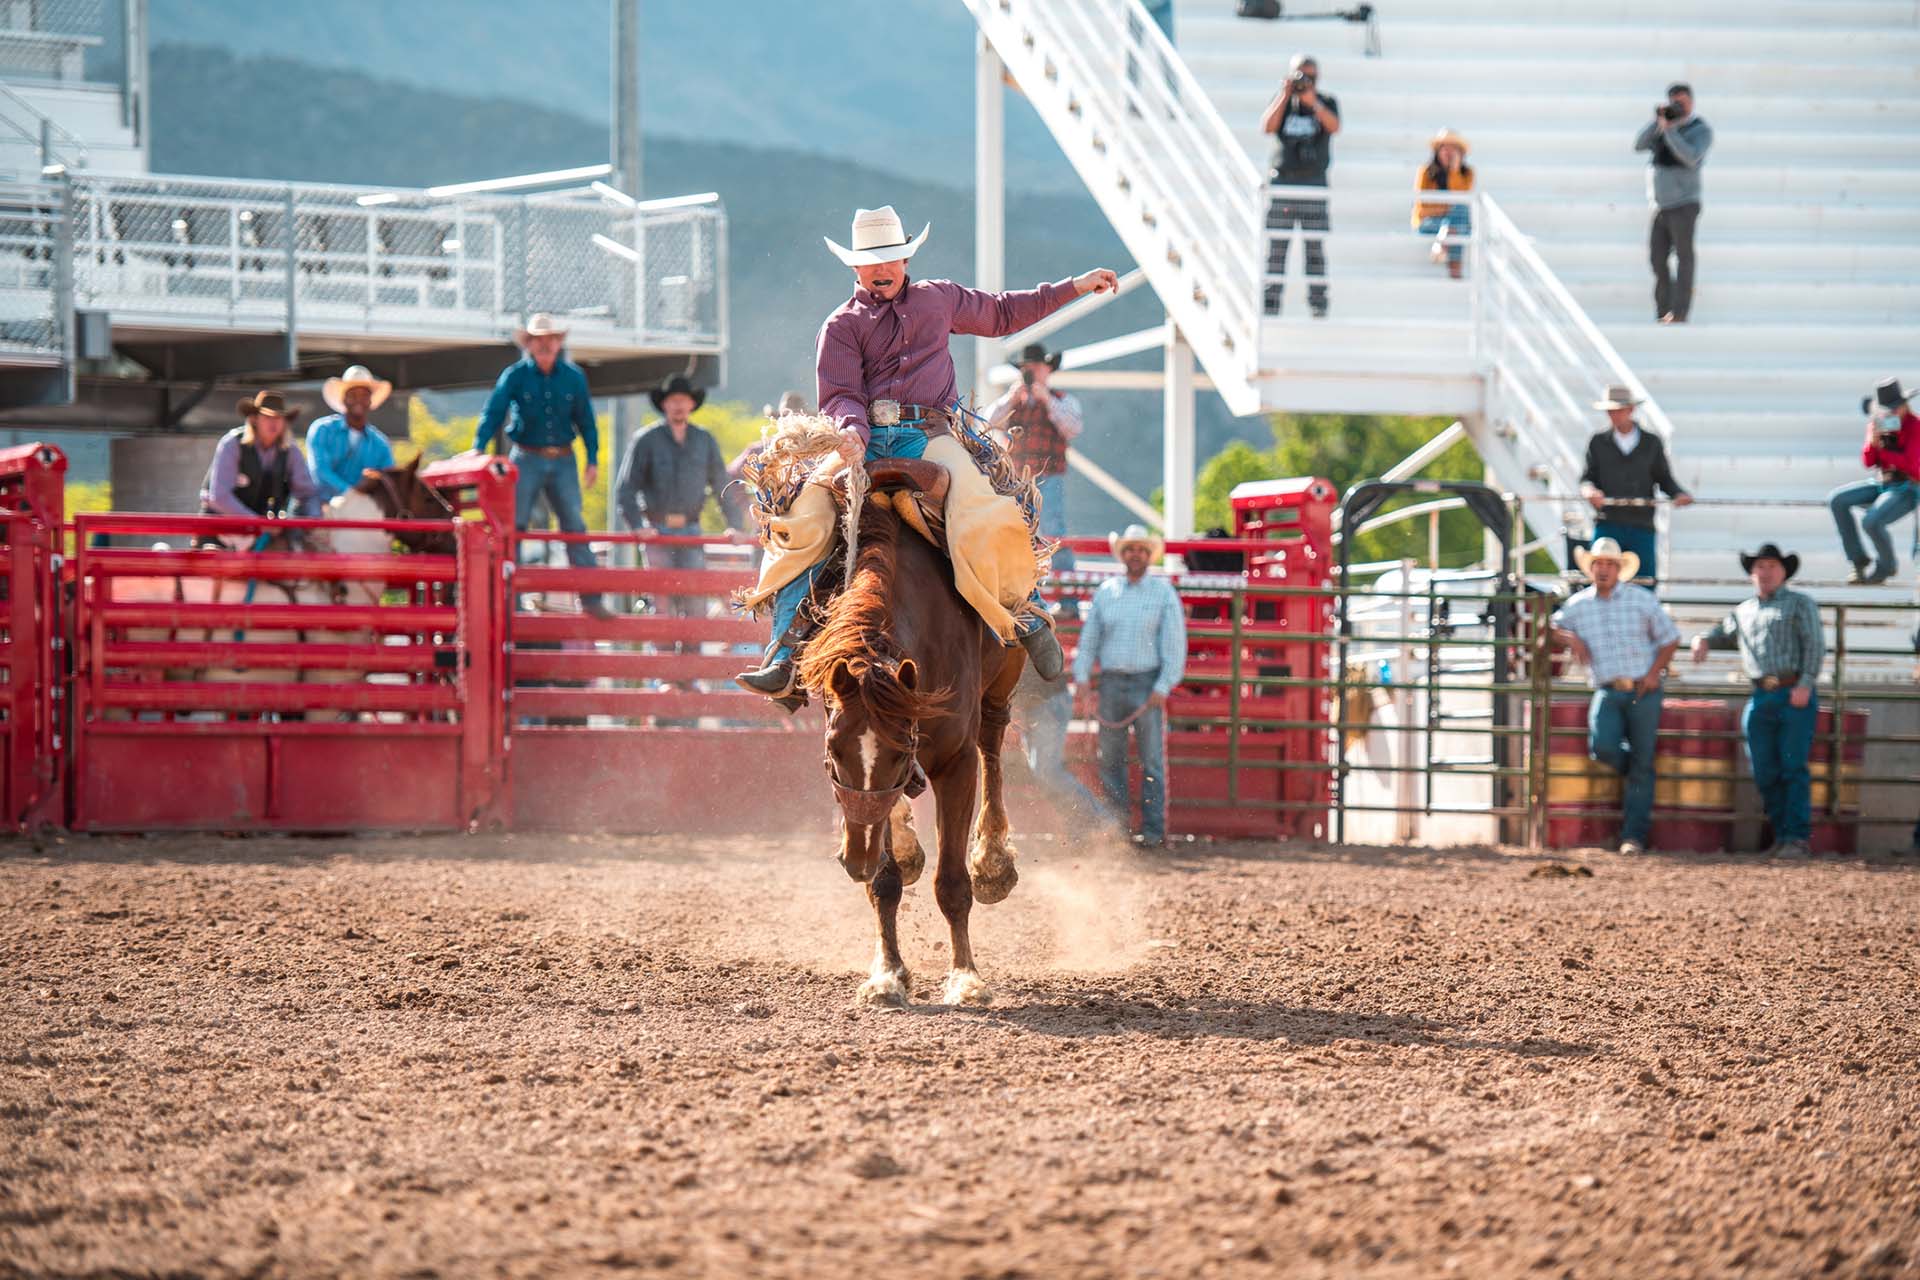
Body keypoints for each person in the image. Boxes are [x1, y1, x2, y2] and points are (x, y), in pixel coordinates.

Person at [735, 205, 1117, 697]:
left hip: (930, 435)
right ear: (855, 267)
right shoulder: (840, 327)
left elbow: (1003, 313)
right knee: (803, 513)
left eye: (890, 258)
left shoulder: (940, 300)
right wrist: (851, 432)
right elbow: (840, 396)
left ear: (906, 261)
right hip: (863, 441)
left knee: (982, 504)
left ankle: (1026, 612)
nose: (882, 269)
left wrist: (1074, 286)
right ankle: (783, 654)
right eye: (872, 261)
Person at [1689, 544, 1824, 858]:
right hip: (1761, 693)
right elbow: (1723, 631)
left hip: (1792, 691)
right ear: (1752, 573)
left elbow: (1814, 645)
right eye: (1760, 567)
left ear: (1783, 572)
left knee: (1792, 766)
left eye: (1771, 567)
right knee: (1764, 769)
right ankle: (1783, 834)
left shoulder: (1800, 604)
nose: (1765, 573)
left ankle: (1797, 838)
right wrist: (1704, 639)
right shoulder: (1744, 610)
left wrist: (1805, 683)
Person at [1548, 538, 1681, 856]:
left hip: (1642, 688)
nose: (1604, 569)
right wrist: (1570, 637)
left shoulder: (1641, 600)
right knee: (1603, 746)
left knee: (1634, 758)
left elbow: (1670, 638)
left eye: (1609, 564)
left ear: (1619, 569)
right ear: (1591, 569)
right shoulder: (1579, 605)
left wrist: (1653, 673)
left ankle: (1633, 835)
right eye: (1599, 564)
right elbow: (1550, 626)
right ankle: (1637, 774)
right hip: (1608, 687)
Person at [471, 313, 608, 618]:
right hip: (527, 454)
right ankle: (508, 600)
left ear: (558, 343)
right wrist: (478, 447)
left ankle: (591, 600)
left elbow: (586, 418)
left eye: (550, 339)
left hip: (563, 456)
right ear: (530, 344)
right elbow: (494, 410)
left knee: (574, 524)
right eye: (539, 340)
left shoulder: (573, 377)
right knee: (514, 526)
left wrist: (593, 457)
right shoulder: (516, 375)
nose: (545, 345)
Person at [1072, 525, 1188, 847]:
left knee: (1151, 760)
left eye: (1141, 550)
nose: (1135, 555)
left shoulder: (1163, 593)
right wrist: (1082, 678)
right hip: (1111, 684)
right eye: (1130, 549)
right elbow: (1090, 639)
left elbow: (1174, 644)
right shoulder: (1107, 592)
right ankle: (1118, 830)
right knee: (1110, 759)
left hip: (1146, 683)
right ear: (1122, 555)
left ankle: (1153, 832)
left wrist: (1163, 686)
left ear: (1148, 556)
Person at [614, 374, 732, 618]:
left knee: (696, 602)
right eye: (673, 400)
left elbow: (722, 486)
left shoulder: (704, 440)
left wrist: (735, 526)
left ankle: (693, 655)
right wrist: (638, 526)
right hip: (657, 530)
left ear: (691, 404)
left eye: (683, 400)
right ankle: (663, 654)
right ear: (664, 404)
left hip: (691, 530)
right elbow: (625, 489)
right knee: (661, 603)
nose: (678, 405)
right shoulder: (646, 440)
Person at [985, 342, 1084, 579]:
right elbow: (987, 423)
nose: (1031, 373)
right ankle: (1015, 583)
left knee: (1052, 530)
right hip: (1014, 478)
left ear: (1048, 369)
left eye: (1036, 367)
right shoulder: (1012, 400)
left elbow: (1073, 428)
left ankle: (1063, 592)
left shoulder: (1062, 400)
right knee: (1012, 529)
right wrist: (1011, 397)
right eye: (1027, 368)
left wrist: (1047, 400)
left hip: (1048, 476)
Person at [1580, 382, 1692, 584]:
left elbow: (1664, 478)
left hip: (1642, 523)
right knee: (1600, 579)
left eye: (1618, 410)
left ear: (1631, 410)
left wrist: (1678, 494)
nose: (1613, 415)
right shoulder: (1597, 442)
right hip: (1608, 521)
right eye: (1610, 411)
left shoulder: (1651, 443)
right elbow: (1588, 477)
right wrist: (1589, 491)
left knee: (1644, 581)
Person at [1259, 53, 1340, 318]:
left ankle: (1318, 305)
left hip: (1313, 185)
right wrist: (1285, 95)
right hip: (1283, 184)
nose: (1306, 82)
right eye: (1301, 76)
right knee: (1277, 250)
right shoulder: (1283, 101)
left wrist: (1312, 102)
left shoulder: (1326, 102)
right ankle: (1271, 306)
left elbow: (1334, 126)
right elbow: (1267, 126)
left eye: (1311, 77)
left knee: (1314, 249)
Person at [1633, 82, 1713, 324]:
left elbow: (1690, 157)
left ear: (1691, 102)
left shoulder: (1699, 130)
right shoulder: (1662, 125)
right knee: (1657, 259)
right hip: (1660, 206)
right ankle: (1662, 310)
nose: (1678, 107)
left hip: (1684, 204)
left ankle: (1679, 312)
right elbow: (1638, 145)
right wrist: (1659, 122)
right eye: (1674, 102)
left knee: (1684, 258)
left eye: (1682, 103)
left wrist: (1670, 130)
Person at [1828, 376, 1920, 585]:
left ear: (1905, 405)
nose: (1893, 412)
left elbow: (1912, 466)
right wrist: (1873, 440)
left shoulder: (1915, 426)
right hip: (1882, 483)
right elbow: (1869, 461)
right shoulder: (1878, 424)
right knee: (1837, 500)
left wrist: (1884, 451)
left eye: (1897, 407)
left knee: (1871, 521)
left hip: (1907, 488)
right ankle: (1858, 559)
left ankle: (1886, 566)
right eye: (1889, 408)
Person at [199, 391, 321, 546]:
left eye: (278, 417)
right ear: (254, 419)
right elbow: (220, 497)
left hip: (261, 534)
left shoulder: (290, 451)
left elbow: (308, 493)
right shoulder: (232, 444)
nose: (273, 423)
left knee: (289, 558)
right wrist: (259, 522)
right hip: (219, 528)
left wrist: (314, 521)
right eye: (267, 416)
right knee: (211, 561)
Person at [1011, 663, 1103, 832]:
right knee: (1044, 773)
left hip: (1043, 702)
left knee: (1047, 772)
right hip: (1039, 702)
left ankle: (1101, 822)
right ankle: (1084, 829)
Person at [305, 365, 397, 504]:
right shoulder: (322, 430)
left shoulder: (381, 444)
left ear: (370, 401)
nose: (358, 400)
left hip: (361, 510)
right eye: (353, 395)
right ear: (344, 399)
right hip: (319, 506)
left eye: (364, 395)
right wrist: (353, 493)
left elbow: (388, 481)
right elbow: (320, 473)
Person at [1413, 128, 1473, 280]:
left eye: (1453, 148)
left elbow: (1460, 198)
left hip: (1455, 222)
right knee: (1458, 219)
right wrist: (1447, 209)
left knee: (1459, 214)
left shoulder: (1467, 174)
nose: (1448, 152)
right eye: (1444, 147)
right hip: (1428, 223)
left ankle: (1442, 242)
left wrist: (1454, 171)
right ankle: (1455, 271)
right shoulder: (1426, 172)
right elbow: (1423, 208)